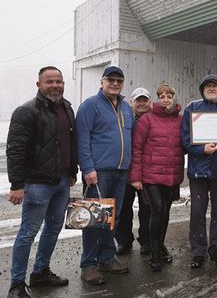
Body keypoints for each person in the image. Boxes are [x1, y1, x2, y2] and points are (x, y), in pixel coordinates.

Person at [6, 66, 77, 298]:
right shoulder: (26, 112)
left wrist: (72, 172)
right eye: (50, 81)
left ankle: (40, 273)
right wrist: (17, 184)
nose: (55, 85)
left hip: (61, 182)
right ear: (39, 85)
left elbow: (70, 142)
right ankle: (16, 285)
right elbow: (15, 149)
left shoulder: (67, 108)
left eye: (59, 81)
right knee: (28, 233)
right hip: (37, 183)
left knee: (53, 228)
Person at [76, 66, 135, 285]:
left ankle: (107, 258)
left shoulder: (126, 108)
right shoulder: (90, 106)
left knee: (112, 218)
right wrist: (88, 168)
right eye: (110, 80)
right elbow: (82, 140)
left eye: (119, 80)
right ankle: (89, 265)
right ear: (102, 82)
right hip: (99, 172)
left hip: (121, 171)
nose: (115, 83)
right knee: (94, 219)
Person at [181, 74, 217, 268]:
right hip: (198, 171)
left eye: (215, 85)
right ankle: (198, 251)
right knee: (197, 212)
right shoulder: (192, 108)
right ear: (202, 89)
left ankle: (216, 249)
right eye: (207, 86)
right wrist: (201, 149)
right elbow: (185, 138)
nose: (211, 88)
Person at [130, 83, 184, 272]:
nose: (166, 99)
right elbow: (137, 149)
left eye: (169, 96)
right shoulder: (147, 120)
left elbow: (187, 144)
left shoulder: (181, 120)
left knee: (166, 213)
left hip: (172, 175)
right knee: (157, 210)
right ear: (157, 99)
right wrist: (136, 177)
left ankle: (160, 246)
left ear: (174, 98)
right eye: (162, 96)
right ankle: (154, 253)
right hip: (151, 176)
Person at [115, 87, 152, 256]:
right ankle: (124, 241)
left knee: (147, 209)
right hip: (126, 169)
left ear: (150, 102)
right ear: (131, 103)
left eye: (145, 100)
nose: (142, 103)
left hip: (148, 171)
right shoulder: (124, 118)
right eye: (138, 100)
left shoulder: (155, 119)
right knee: (123, 209)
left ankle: (146, 240)